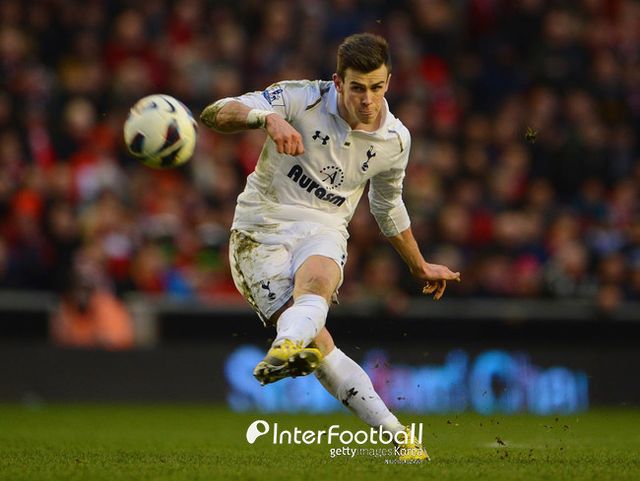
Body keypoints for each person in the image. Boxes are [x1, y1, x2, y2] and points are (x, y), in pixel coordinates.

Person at [200, 33, 460, 462]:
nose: (367, 100)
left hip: (324, 226)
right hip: (260, 229)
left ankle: (289, 349)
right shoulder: (300, 98)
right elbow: (215, 112)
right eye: (357, 88)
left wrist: (418, 264)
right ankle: (386, 424)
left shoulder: (395, 140)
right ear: (337, 82)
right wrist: (265, 119)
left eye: (376, 87)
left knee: (319, 280)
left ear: (389, 82)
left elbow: (387, 206)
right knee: (322, 348)